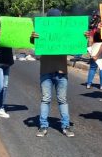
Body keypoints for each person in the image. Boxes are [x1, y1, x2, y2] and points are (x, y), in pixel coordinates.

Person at [30, 9, 75, 138]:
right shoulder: (41, 31)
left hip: (61, 71)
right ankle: (43, 125)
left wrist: (83, 35)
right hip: (46, 71)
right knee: (46, 99)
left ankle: (65, 126)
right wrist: (33, 37)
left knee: (62, 100)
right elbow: (33, 42)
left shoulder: (65, 31)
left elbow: (76, 42)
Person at [85, 13, 102, 90]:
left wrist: (90, 50)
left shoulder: (93, 28)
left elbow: (90, 40)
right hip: (101, 49)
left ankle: (88, 84)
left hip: (93, 48)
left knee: (92, 67)